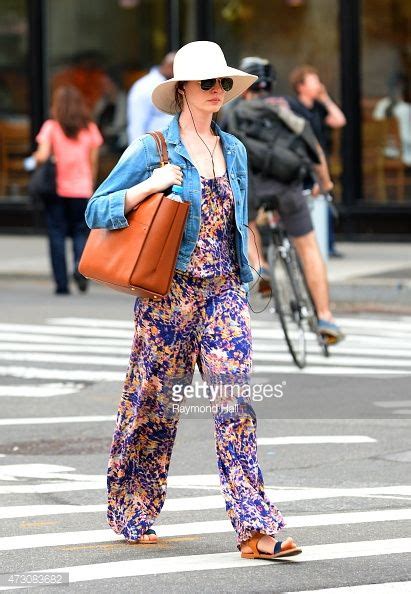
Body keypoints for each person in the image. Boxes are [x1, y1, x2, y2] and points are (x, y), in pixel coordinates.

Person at [85, 41, 303, 560]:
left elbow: (238, 218)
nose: (217, 91)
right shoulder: (151, 148)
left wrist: (256, 275)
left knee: (235, 405)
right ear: (182, 90)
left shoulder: (235, 150)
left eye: (223, 83)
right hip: (168, 297)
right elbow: (96, 210)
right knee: (154, 406)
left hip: (224, 292)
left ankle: (256, 527)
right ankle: (133, 507)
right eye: (207, 83)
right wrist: (149, 187)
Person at [223, 57, 344, 344]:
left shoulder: (230, 112)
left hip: (252, 189)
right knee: (308, 249)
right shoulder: (284, 107)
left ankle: (260, 263)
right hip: (288, 187)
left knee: (245, 217)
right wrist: (324, 183)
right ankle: (326, 317)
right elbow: (313, 147)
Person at [31, 85, 103, 294]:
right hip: (82, 189)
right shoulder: (89, 128)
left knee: (56, 234)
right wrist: (90, 184)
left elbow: (42, 156)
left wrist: (33, 160)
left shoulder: (51, 127)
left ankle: (61, 284)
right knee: (81, 231)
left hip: (55, 190)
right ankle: (80, 267)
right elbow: (93, 162)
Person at [288, 64, 347, 258]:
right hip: (303, 164)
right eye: (314, 82)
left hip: (319, 162)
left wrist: (325, 98)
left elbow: (339, 120)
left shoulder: (319, 108)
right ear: (301, 86)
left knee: (324, 200)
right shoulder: (293, 107)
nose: (319, 85)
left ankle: (327, 244)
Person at [127, 52, 175, 143]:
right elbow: (137, 125)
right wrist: (138, 154)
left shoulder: (178, 85)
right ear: (170, 67)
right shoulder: (145, 86)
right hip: (154, 150)